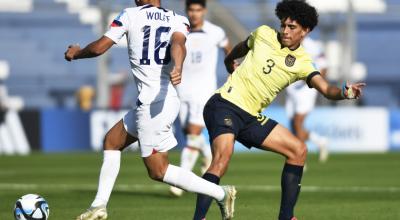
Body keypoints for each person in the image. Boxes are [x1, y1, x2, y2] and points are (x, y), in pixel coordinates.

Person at [192, 1, 366, 220]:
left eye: (291, 27)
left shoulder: (303, 62)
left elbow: (326, 89)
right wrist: (229, 60)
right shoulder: (263, 33)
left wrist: (344, 92)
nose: (285, 30)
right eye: (283, 25)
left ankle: (286, 217)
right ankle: (198, 218)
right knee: (221, 159)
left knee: (298, 150)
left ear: (306, 30)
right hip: (224, 104)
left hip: (250, 116)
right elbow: (242, 47)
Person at [64, 1, 236, 220]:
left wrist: (76, 53)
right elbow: (178, 44)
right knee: (112, 141)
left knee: (158, 171)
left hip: (154, 103)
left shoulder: (130, 15)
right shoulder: (178, 19)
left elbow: (99, 48)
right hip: (162, 98)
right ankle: (99, 205)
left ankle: (221, 193)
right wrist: (178, 65)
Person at [169, 0, 232, 197]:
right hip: (182, 89)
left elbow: (228, 50)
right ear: (187, 11)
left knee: (194, 131)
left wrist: (233, 71)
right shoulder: (180, 31)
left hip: (204, 91)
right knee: (190, 133)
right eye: (191, 10)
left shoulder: (215, 32)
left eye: (198, 10)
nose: (194, 13)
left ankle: (180, 181)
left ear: (203, 11)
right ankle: (207, 156)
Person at [285, 37, 329, 163]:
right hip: (292, 88)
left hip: (306, 89)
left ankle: (299, 160)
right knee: (294, 126)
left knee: (298, 122)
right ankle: (319, 141)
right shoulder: (288, 42)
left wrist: (318, 85)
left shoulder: (311, 45)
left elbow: (324, 66)